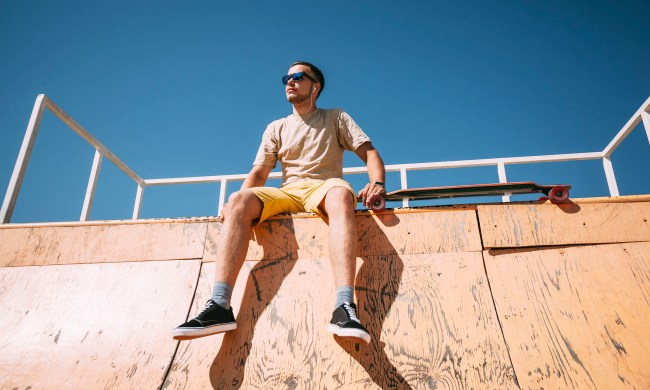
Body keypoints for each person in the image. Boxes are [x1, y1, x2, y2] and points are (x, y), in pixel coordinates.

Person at [172, 61, 386, 344]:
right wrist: (235, 206)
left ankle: (344, 306)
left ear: (315, 86)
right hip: (287, 191)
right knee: (237, 200)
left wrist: (378, 184)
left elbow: (370, 153)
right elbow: (260, 172)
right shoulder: (277, 127)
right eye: (287, 77)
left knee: (342, 194)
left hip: (323, 187)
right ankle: (219, 305)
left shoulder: (336, 117)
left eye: (298, 77)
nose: (290, 81)